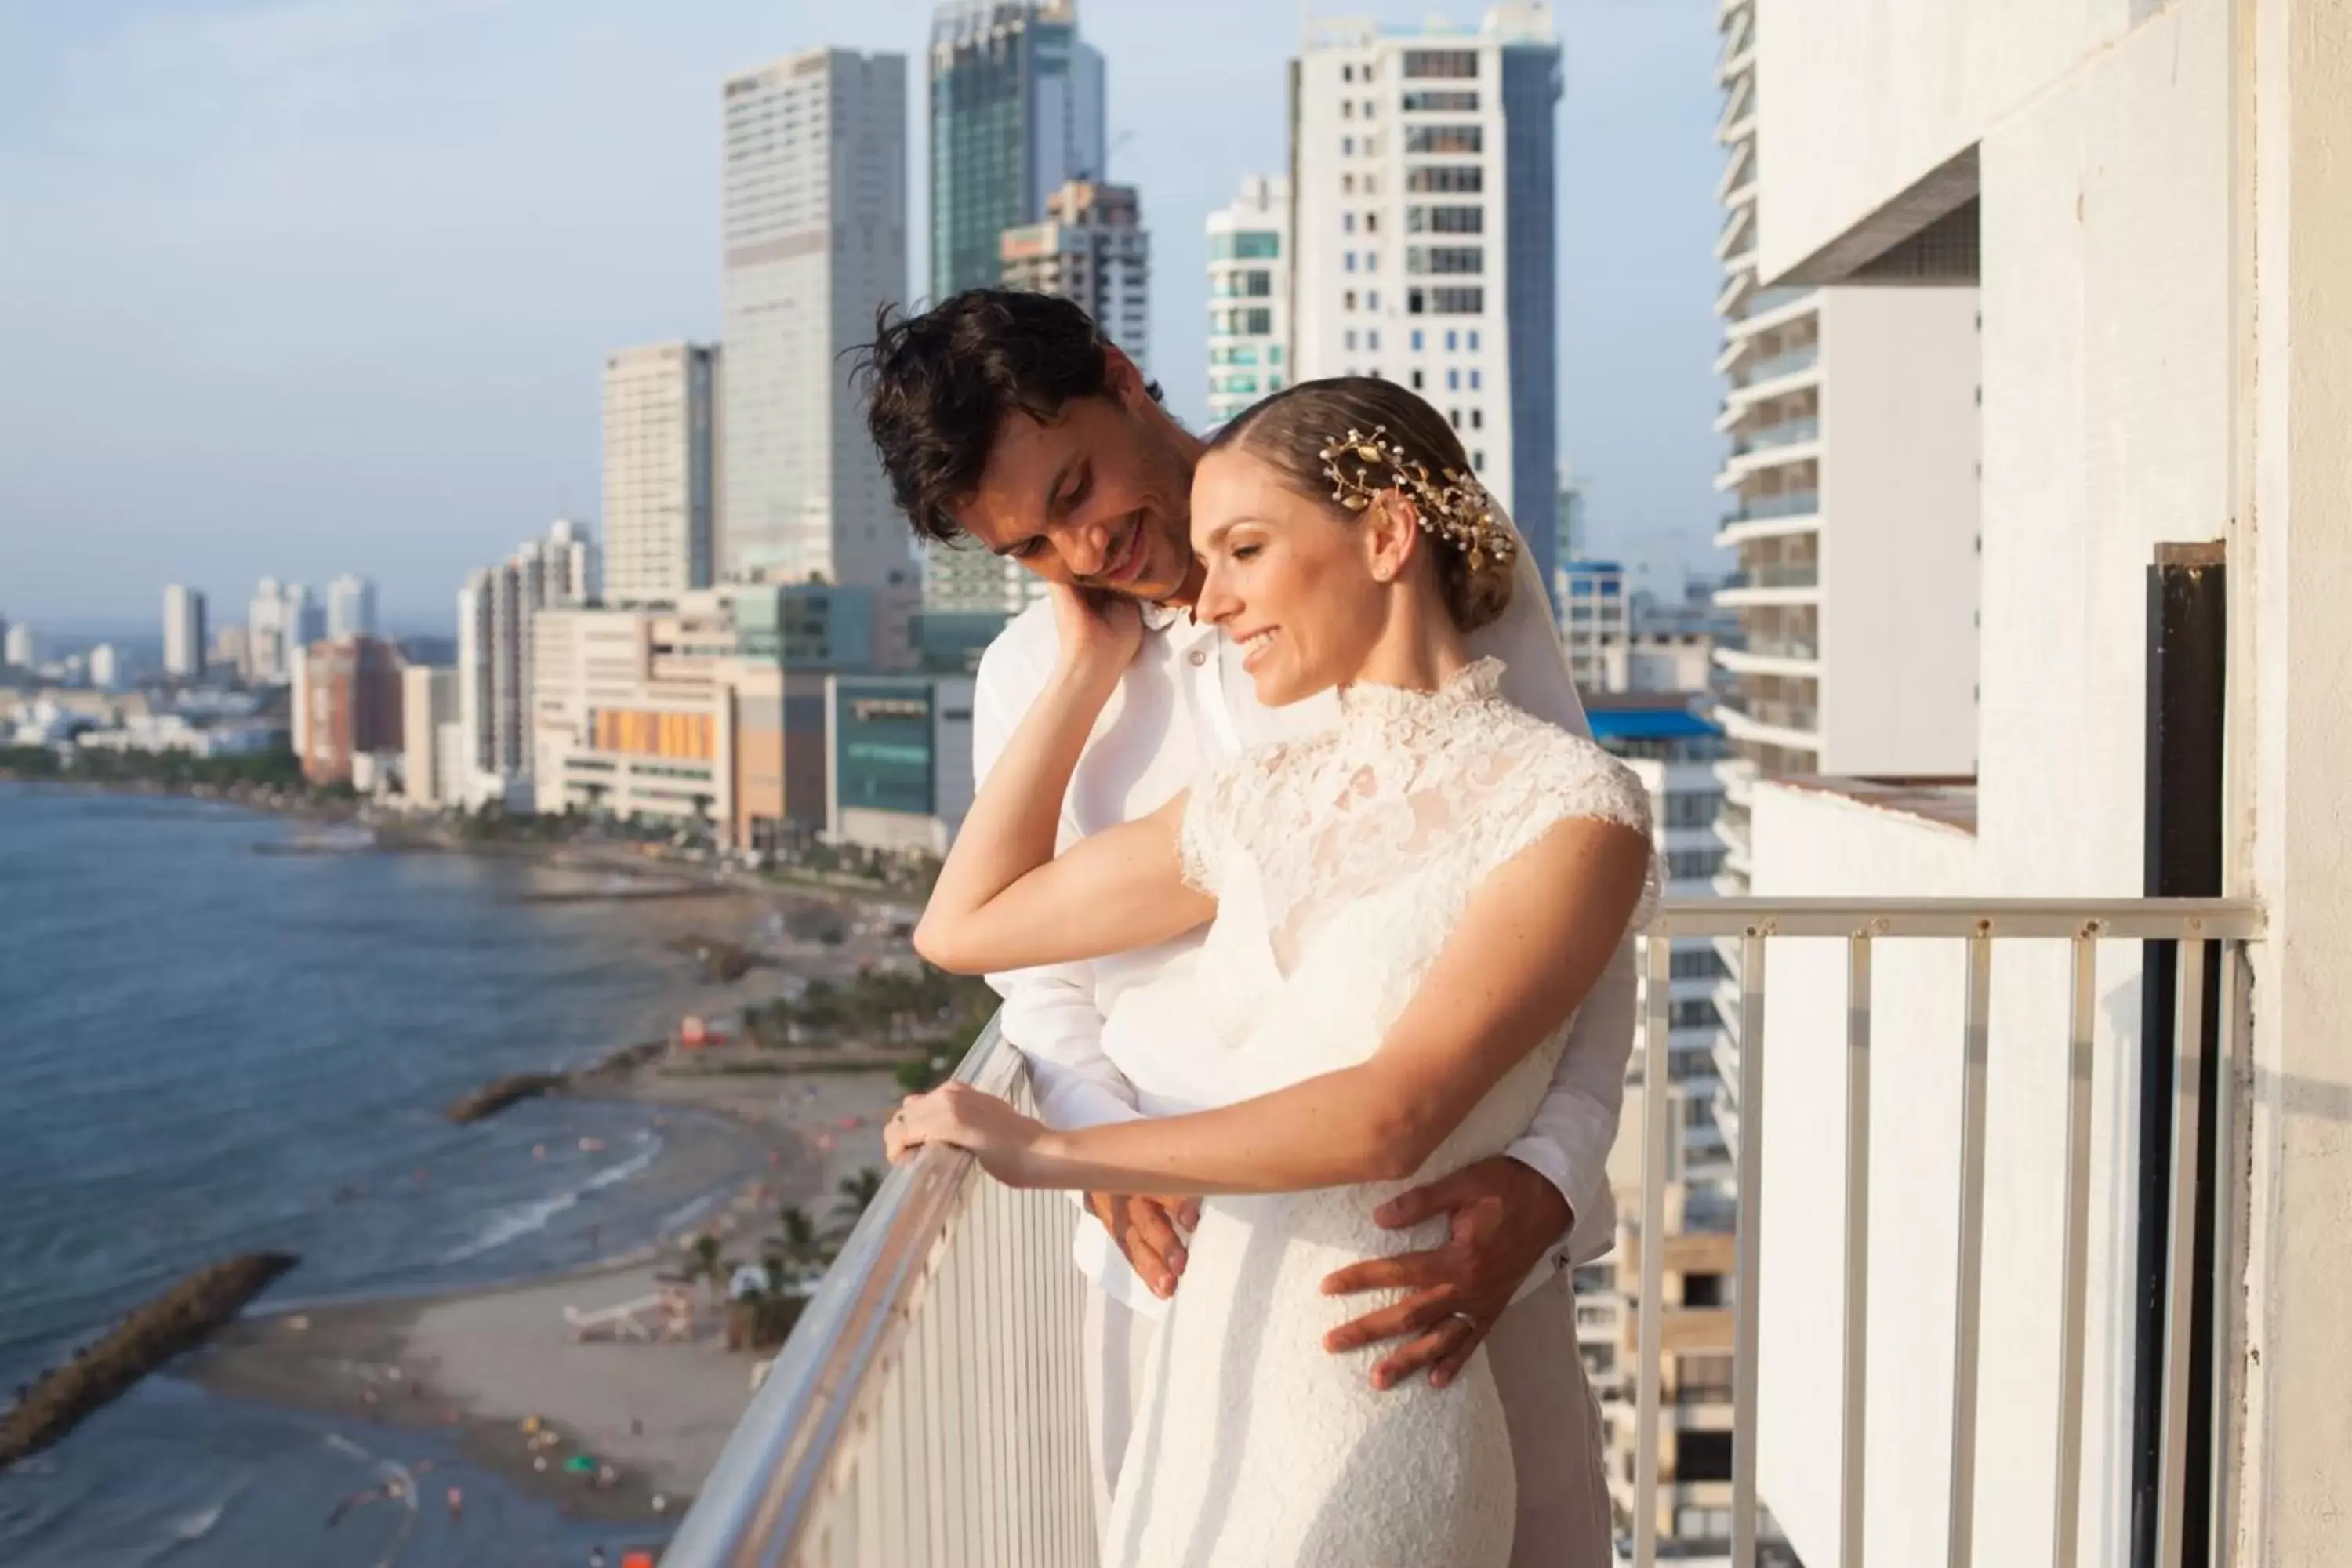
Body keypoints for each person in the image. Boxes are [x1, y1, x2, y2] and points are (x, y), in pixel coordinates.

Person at [862, 292, 1634, 1565]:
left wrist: (1548, 1180)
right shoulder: (1029, 676)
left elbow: (1571, 887)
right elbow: (1032, 975)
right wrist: (1103, 1150)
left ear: (1119, 376)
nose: (1082, 548)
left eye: (1076, 488)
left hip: (1443, 1246)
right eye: (1032, 548)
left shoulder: (1386, 540)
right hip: (1170, 1271)